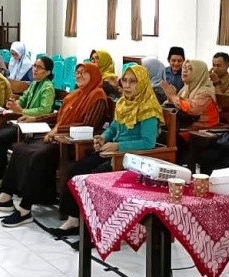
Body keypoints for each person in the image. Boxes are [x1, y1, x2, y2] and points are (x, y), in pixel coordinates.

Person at [0, 63, 108, 227]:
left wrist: (58, 131)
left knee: (37, 156)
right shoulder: (75, 94)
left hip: (71, 143)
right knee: (21, 149)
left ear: (94, 75)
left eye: (84, 73)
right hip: (56, 136)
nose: (78, 75)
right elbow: (58, 116)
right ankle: (5, 197)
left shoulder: (97, 97)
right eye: (77, 72)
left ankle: (25, 209)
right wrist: (35, 119)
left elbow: (88, 126)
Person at [55, 65, 163, 236]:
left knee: (94, 177)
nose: (127, 85)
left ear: (142, 84)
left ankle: (95, 229)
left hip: (132, 159)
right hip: (113, 152)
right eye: (124, 81)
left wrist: (118, 146)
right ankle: (74, 218)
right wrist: (104, 138)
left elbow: (148, 143)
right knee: (75, 170)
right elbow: (113, 128)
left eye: (133, 82)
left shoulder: (148, 109)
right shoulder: (122, 103)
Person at [0, 57, 56, 193]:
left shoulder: (47, 87)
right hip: (23, 122)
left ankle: (0, 180)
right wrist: (14, 104)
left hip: (35, 125)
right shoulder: (34, 84)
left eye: (39, 67)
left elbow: (45, 110)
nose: (35, 69)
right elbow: (23, 100)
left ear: (48, 72)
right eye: (34, 66)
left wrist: (21, 111)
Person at [161, 59, 218, 129]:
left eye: (190, 69)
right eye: (184, 68)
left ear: (199, 73)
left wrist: (173, 96)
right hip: (188, 125)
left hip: (202, 129)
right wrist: (170, 98)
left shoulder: (205, 92)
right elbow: (178, 105)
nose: (184, 71)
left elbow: (192, 109)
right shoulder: (186, 88)